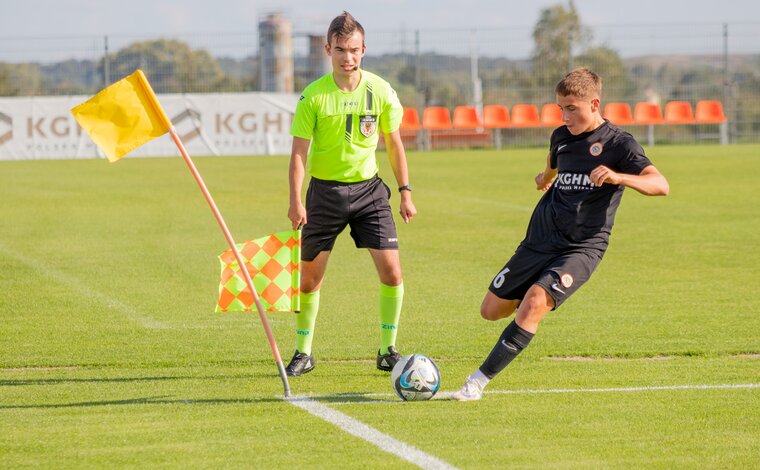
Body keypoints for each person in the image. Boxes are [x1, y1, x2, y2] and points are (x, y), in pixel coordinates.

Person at [451, 68, 669, 401]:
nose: (565, 115)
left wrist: (619, 177)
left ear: (594, 104)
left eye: (571, 108)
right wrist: (544, 177)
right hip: (540, 239)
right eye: (560, 108)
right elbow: (553, 166)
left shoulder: (620, 144)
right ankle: (529, 306)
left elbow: (660, 185)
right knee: (491, 311)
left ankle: (477, 382)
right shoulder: (561, 137)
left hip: (582, 248)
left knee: (535, 303)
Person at [285, 11, 416, 376]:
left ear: (364, 50)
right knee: (310, 279)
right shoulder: (313, 96)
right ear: (328, 49)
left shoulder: (381, 90)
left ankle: (388, 349)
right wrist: (296, 199)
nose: (348, 58)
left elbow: (394, 145)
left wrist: (405, 191)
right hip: (324, 194)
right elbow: (298, 153)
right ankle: (303, 352)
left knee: (392, 271)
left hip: (370, 192)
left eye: (354, 50)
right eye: (340, 50)